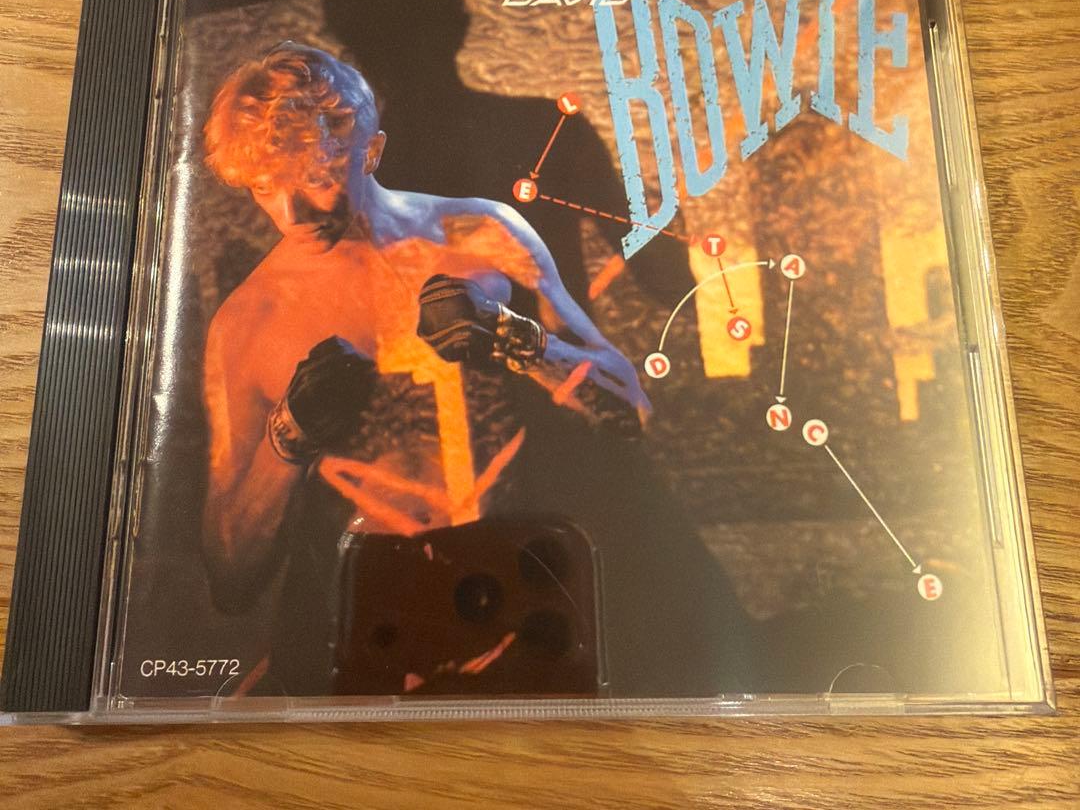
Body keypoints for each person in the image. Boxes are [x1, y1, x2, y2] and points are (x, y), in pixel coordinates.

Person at [200, 42, 754, 696]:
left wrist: (516, 339)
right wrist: (286, 438)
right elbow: (230, 576)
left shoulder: (484, 235)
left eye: (316, 176)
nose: (292, 214)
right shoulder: (248, 323)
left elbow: (629, 411)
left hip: (527, 615)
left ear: (370, 151)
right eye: (265, 186)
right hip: (376, 645)